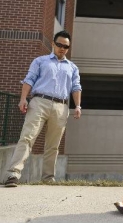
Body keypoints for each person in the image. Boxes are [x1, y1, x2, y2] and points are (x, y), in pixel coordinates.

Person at [4, 30, 82, 188]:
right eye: (59, 44)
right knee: (27, 137)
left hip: (61, 106)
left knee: (53, 145)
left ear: (68, 47)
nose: (62, 48)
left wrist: (78, 106)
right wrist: (23, 99)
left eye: (65, 46)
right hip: (39, 102)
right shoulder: (40, 61)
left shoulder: (72, 67)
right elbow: (29, 79)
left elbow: (76, 87)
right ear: (53, 44)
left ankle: (48, 178)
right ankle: (13, 174)